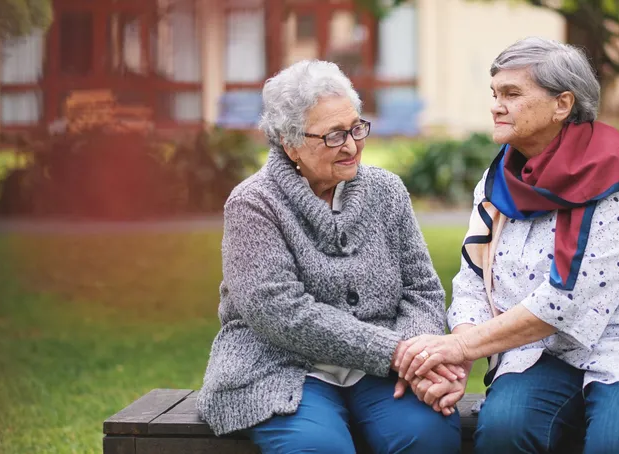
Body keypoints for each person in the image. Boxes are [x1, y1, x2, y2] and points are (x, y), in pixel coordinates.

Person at [394, 37, 619, 454]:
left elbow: (572, 299)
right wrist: (459, 360)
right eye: (495, 94)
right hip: (540, 352)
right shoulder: (497, 184)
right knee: (505, 429)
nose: (496, 105)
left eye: (512, 94)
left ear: (562, 104)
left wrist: (461, 345)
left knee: (615, 440)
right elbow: (473, 281)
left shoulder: (611, 180)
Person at [197, 60, 461, 454]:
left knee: (428, 437)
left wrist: (415, 356)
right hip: (282, 365)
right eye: (334, 136)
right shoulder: (253, 204)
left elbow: (421, 289)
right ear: (290, 143)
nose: (352, 146)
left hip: (386, 365)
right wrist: (393, 351)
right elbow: (279, 313)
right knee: (318, 448)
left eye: (356, 128)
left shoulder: (386, 191)